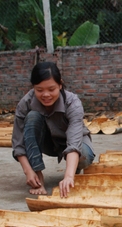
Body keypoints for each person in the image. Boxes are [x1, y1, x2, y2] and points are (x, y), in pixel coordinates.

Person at [11, 62, 95, 197]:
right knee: (32, 116)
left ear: (60, 84)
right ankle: (38, 179)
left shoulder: (72, 102)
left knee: (85, 156)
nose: (46, 95)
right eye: (39, 90)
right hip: (47, 142)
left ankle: (74, 169)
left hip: (72, 142)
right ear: (33, 87)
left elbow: (74, 143)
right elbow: (18, 143)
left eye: (51, 89)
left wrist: (68, 176)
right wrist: (29, 171)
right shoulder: (25, 103)